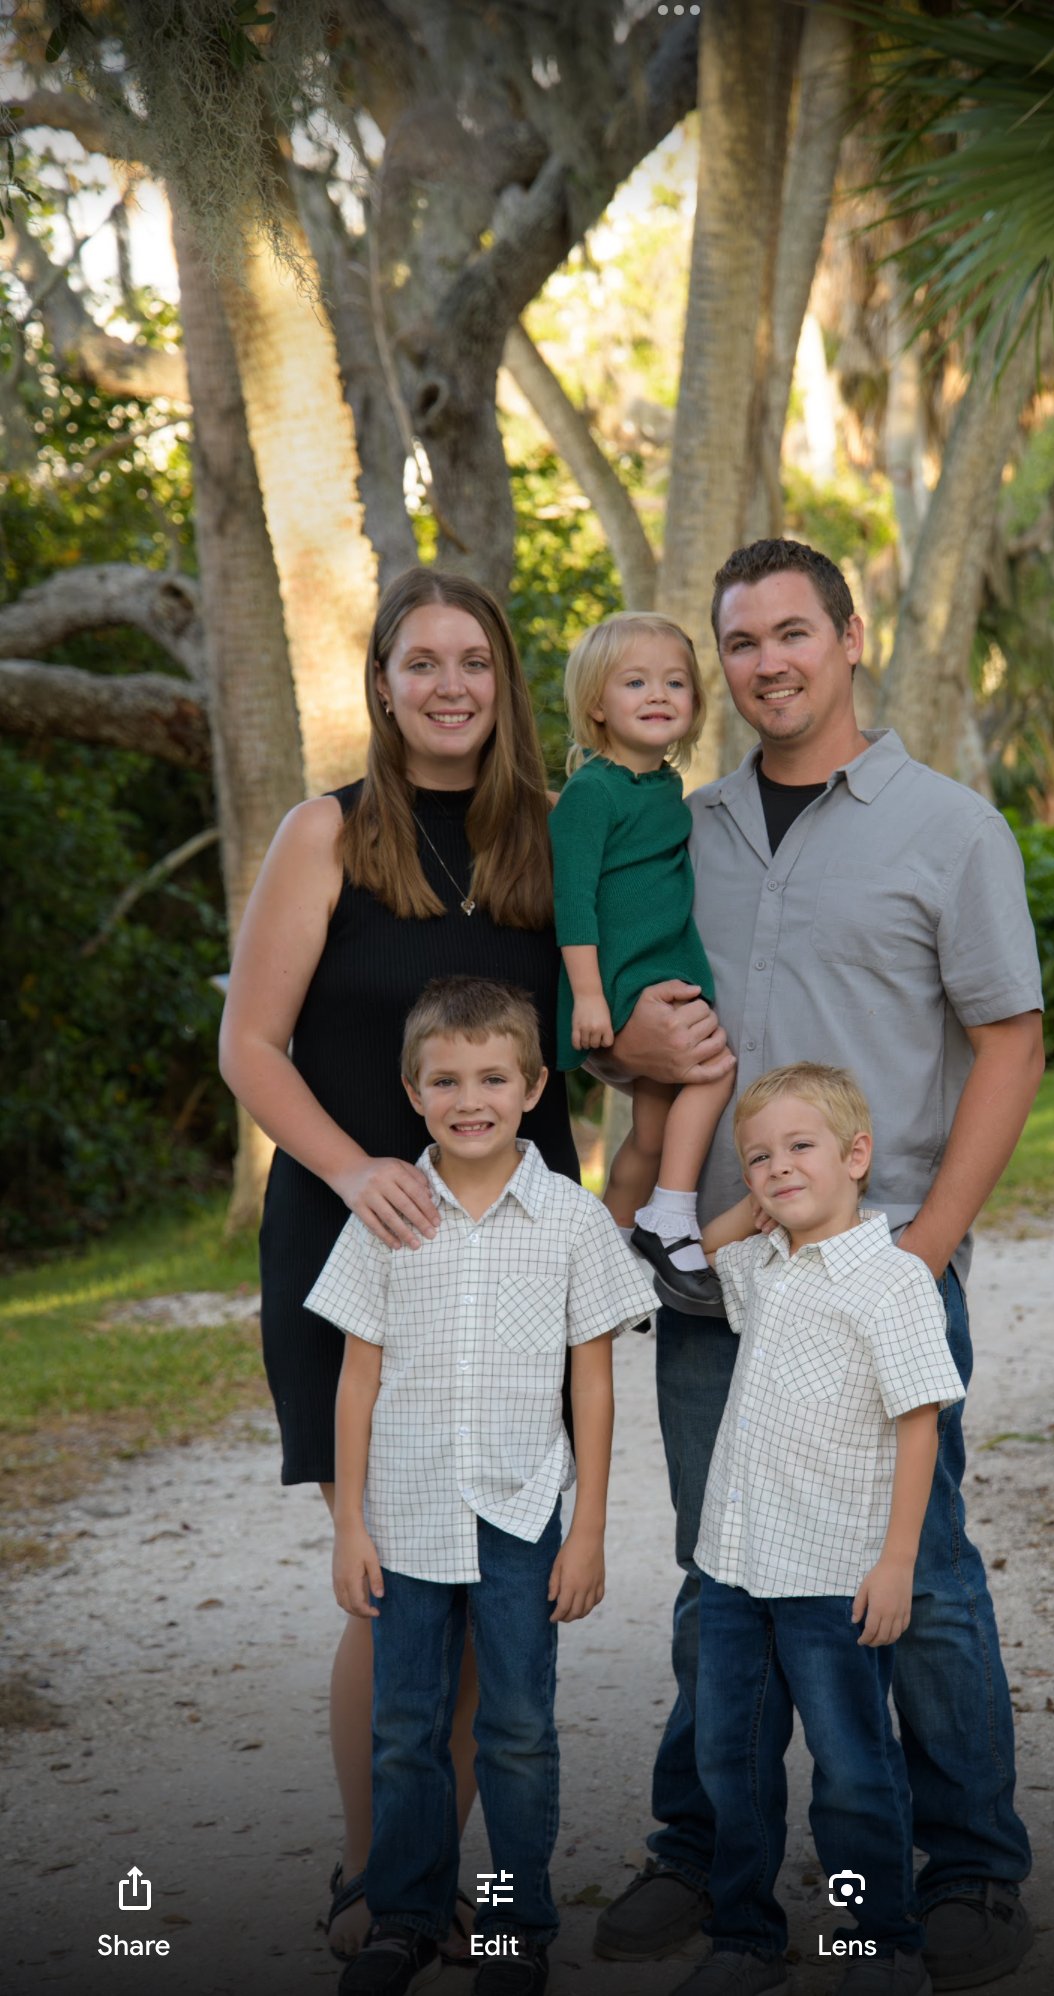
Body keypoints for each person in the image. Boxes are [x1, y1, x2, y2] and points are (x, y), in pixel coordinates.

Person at [593, 539, 1045, 1990]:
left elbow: (1008, 1040)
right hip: (712, 1275)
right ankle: (697, 1849)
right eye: (739, 642)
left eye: (793, 632)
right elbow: (639, 1035)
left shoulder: (947, 829)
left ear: (849, 639)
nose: (765, 662)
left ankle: (968, 1865)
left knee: (911, 1566)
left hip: (873, 1276)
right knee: (715, 1567)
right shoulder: (682, 828)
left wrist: (917, 1252)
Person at [219, 567, 579, 1959]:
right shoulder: (326, 835)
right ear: (381, 685)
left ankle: (461, 1882)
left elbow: (587, 1035)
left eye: (472, 664)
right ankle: (377, 1879)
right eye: (420, 663)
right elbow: (250, 1045)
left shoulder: (550, 842)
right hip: (352, 1240)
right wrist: (354, 1168)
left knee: (492, 1582)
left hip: (505, 1258)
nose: (447, 687)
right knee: (390, 1574)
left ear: (503, 683)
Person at [308, 976, 654, 1996]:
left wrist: (585, 1529)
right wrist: (349, 1527)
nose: (471, 1097)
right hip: (407, 1518)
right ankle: (404, 1918)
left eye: (493, 1076)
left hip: (518, 1515)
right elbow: (356, 1377)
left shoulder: (571, 1221)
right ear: (413, 1093)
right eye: (446, 1079)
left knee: (513, 1727)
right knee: (407, 1725)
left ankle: (514, 1926)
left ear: (533, 1084)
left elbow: (590, 1382)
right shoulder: (387, 1213)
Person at [673, 1062, 965, 1996]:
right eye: (756, 1156)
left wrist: (895, 1562)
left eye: (800, 1147)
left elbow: (921, 1423)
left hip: (833, 1574)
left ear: (857, 1155)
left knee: (850, 1768)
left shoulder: (892, 1281)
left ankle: (876, 1939)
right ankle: (743, 1938)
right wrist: (749, 1210)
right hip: (733, 1566)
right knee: (730, 1758)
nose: (775, 1166)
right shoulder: (762, 1265)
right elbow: (700, 1255)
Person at [549, 612, 734, 1311]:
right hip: (623, 977)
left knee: (651, 1133)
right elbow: (572, 900)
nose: (658, 694)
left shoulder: (663, 790)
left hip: (658, 964)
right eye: (635, 682)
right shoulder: (590, 793)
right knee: (714, 1068)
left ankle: (607, 1260)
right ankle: (670, 1215)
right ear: (597, 704)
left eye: (674, 682)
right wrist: (590, 996)